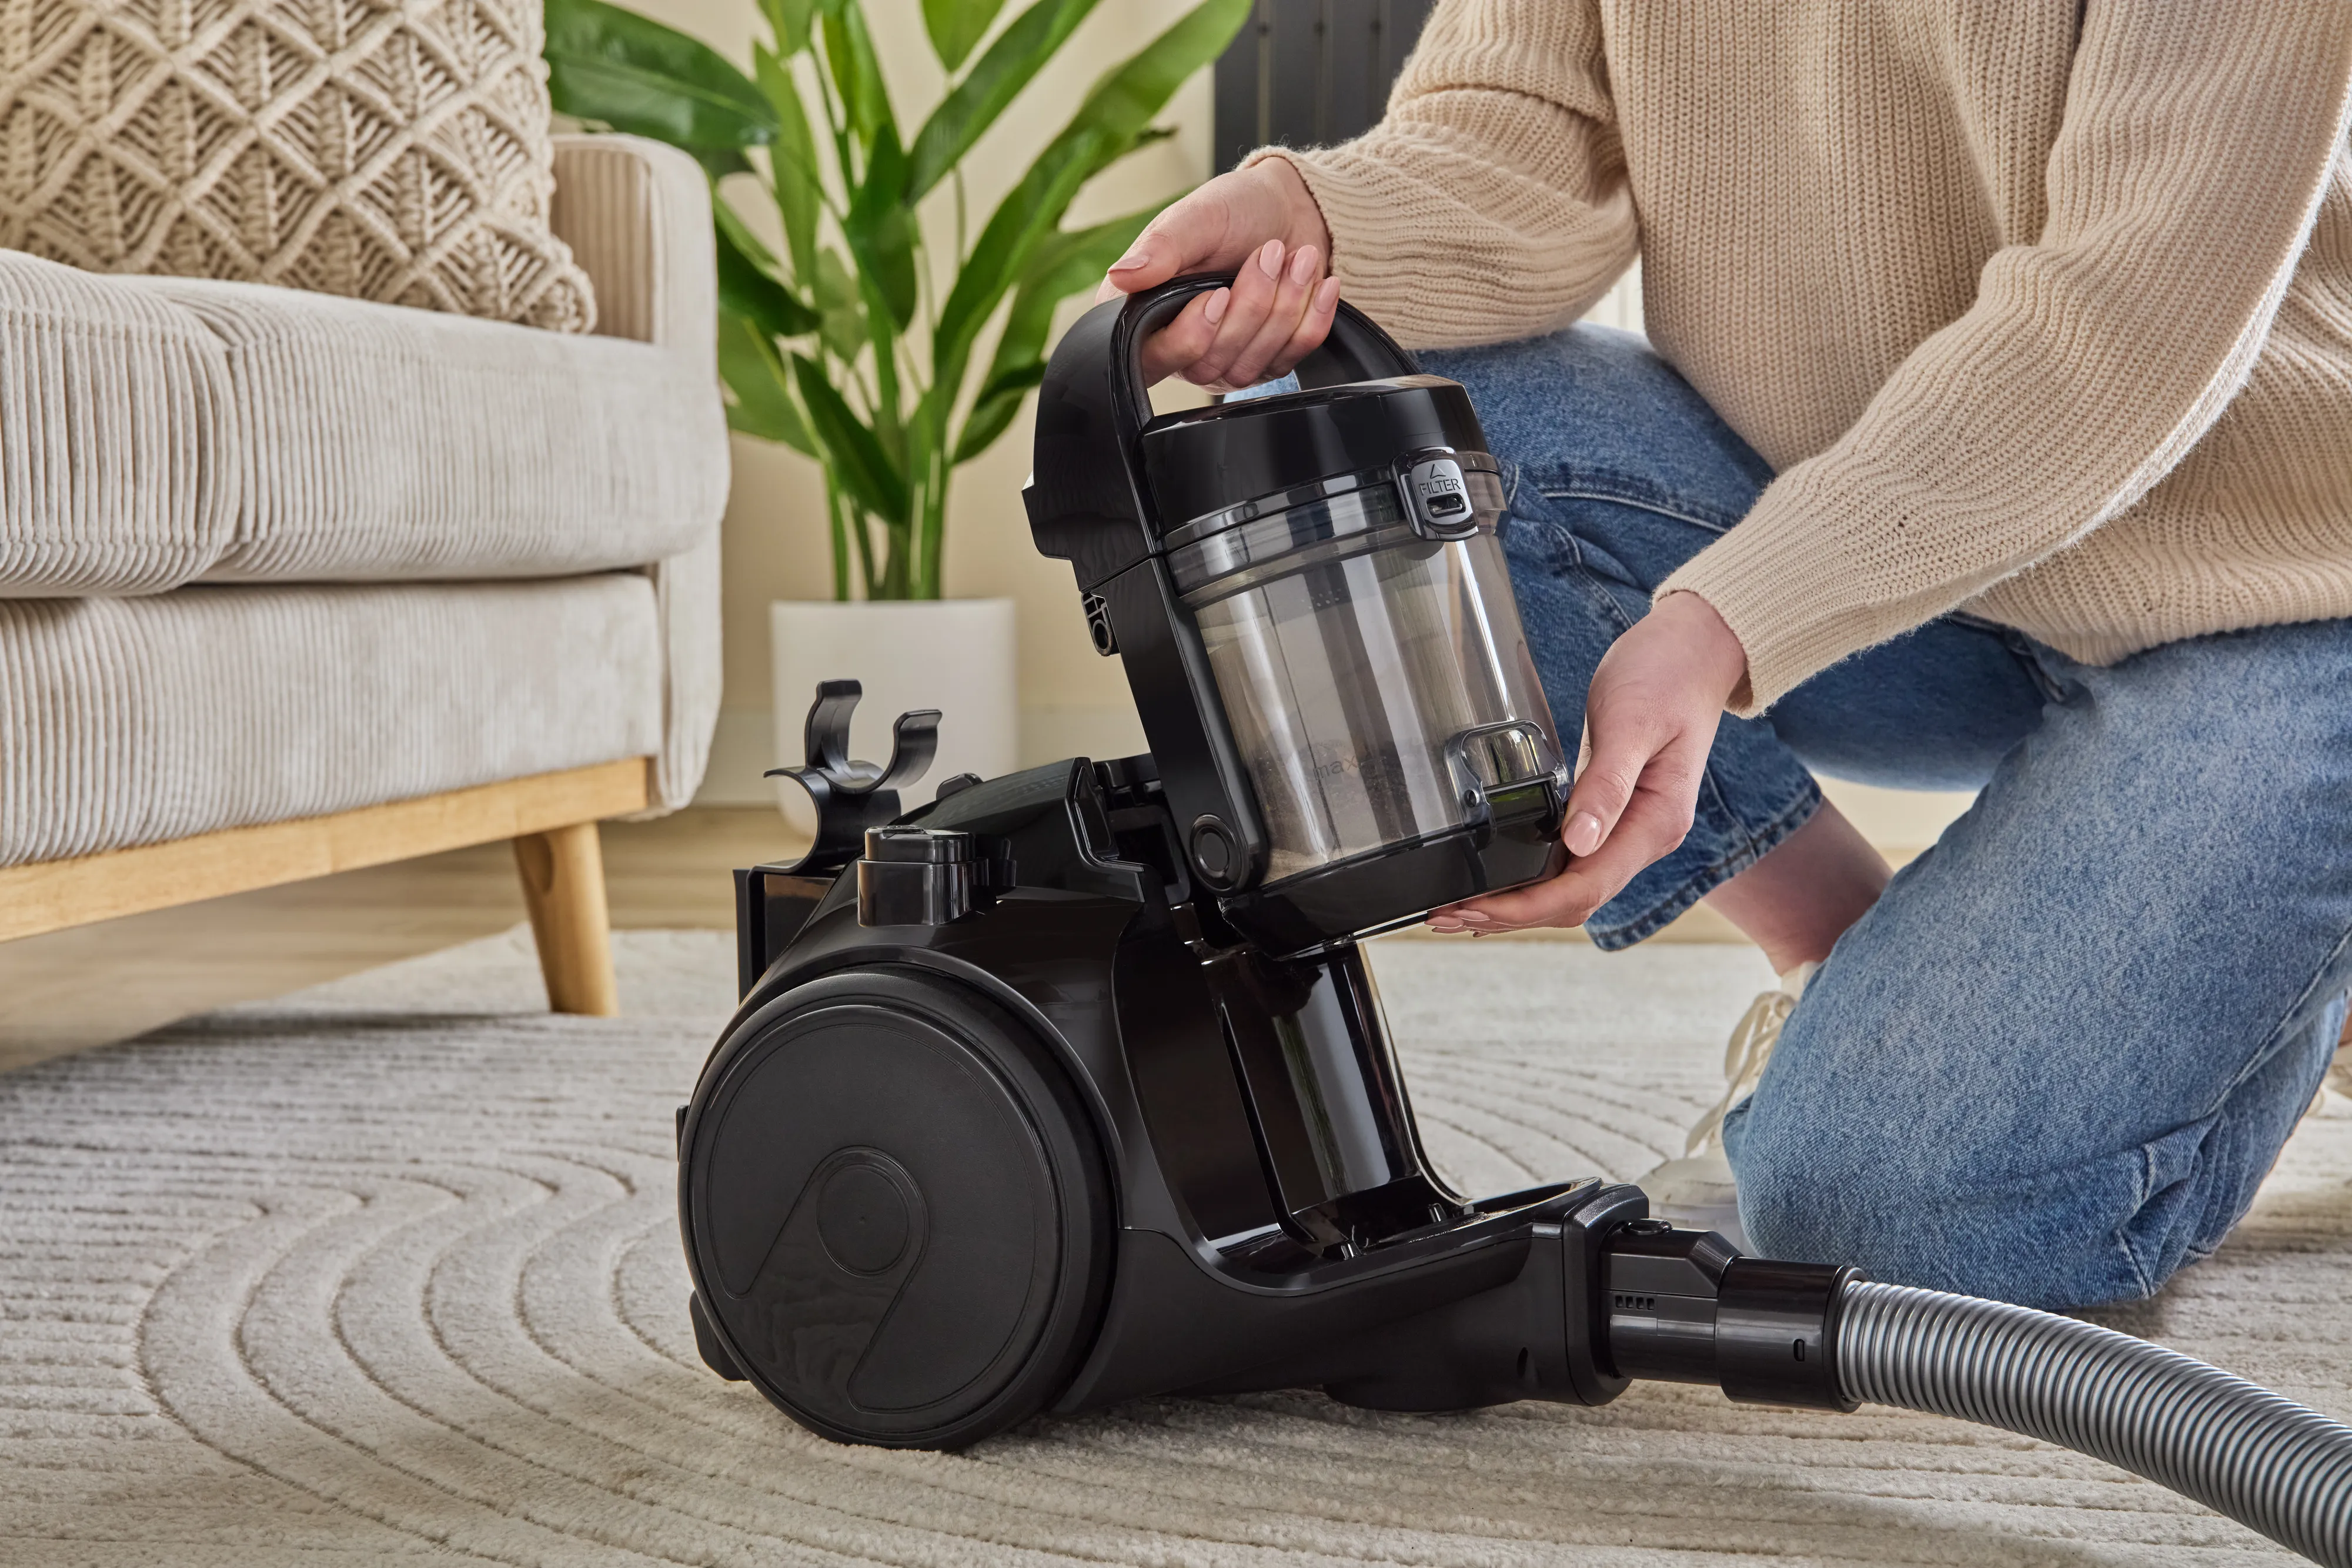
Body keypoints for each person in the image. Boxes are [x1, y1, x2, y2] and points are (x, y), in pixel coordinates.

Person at [1098, 0, 2352, 1311]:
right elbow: (1531, 135)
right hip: (1924, 576)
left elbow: (2121, 315)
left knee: (1890, 1216)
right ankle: (1836, 955)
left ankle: (2285, 952)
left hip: (2272, 600)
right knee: (1358, 414)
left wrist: (1731, 615)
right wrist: (1306, 221)